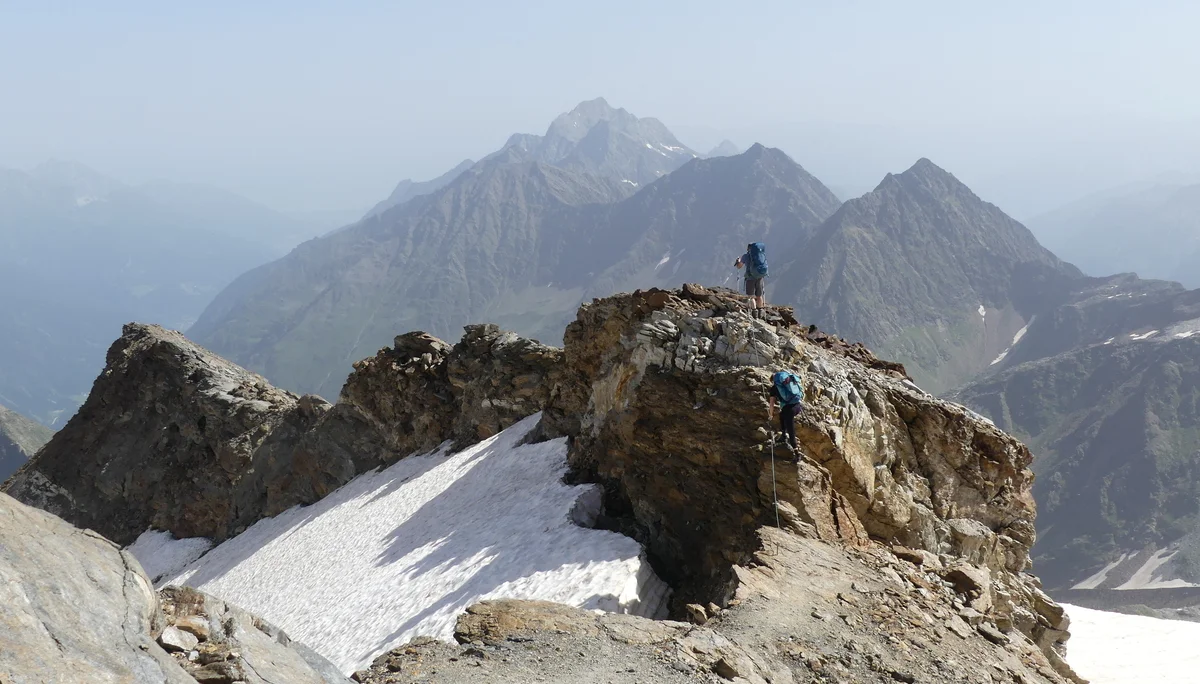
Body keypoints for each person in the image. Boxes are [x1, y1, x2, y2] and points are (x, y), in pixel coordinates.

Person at [768, 369, 803, 452]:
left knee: (791, 432)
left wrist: (770, 415)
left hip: (789, 409)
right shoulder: (788, 383)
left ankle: (797, 454)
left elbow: (771, 404)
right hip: (797, 406)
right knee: (781, 415)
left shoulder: (774, 388)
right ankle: (783, 435)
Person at [734, 242, 768, 311]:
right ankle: (760, 311)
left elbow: (739, 266)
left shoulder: (745, 256)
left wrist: (738, 261)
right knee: (759, 295)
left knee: (751, 296)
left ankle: (754, 312)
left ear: (748, 248)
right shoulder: (760, 255)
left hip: (750, 277)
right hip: (760, 277)